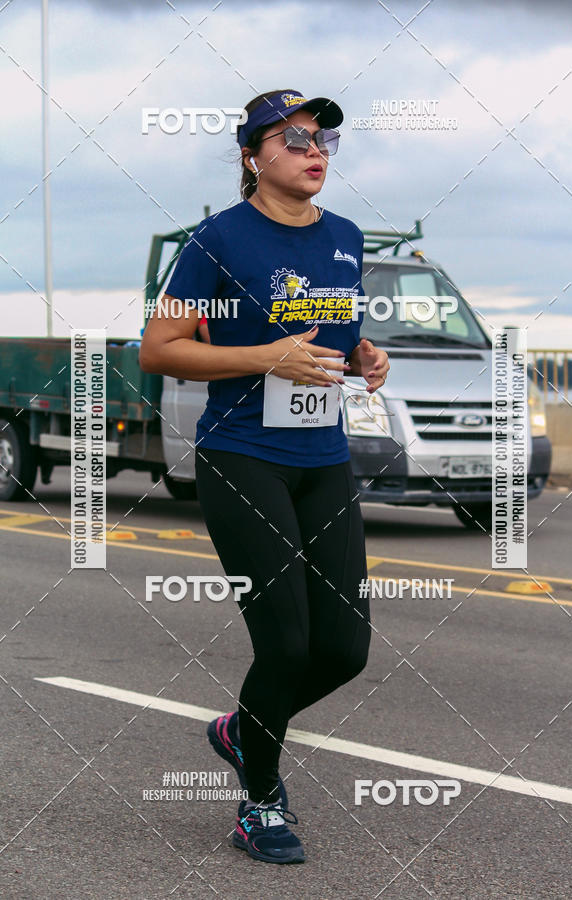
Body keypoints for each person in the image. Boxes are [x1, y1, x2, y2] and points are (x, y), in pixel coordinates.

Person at [139, 88, 390, 865]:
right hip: (243, 457)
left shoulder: (346, 237)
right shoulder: (217, 240)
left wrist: (364, 355)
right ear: (252, 158)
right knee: (284, 644)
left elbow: (334, 333)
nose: (314, 151)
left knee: (344, 650)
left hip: (324, 459)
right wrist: (262, 358)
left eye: (321, 140)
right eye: (293, 139)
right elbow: (158, 346)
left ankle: (239, 730)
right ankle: (260, 802)